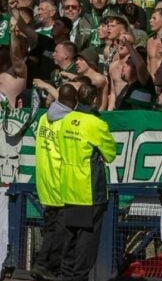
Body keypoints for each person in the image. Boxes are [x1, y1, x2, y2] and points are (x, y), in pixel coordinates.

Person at [55, 83, 116, 281]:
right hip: (89, 188)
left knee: (70, 235)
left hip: (67, 186)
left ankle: (66, 276)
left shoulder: (65, 120)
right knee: (87, 239)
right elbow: (110, 154)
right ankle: (78, 278)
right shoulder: (96, 124)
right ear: (94, 100)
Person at [31, 83, 76, 281]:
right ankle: (44, 264)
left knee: (51, 226)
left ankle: (46, 265)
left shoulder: (43, 118)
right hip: (60, 180)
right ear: (74, 102)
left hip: (44, 179)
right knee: (60, 228)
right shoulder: (67, 122)